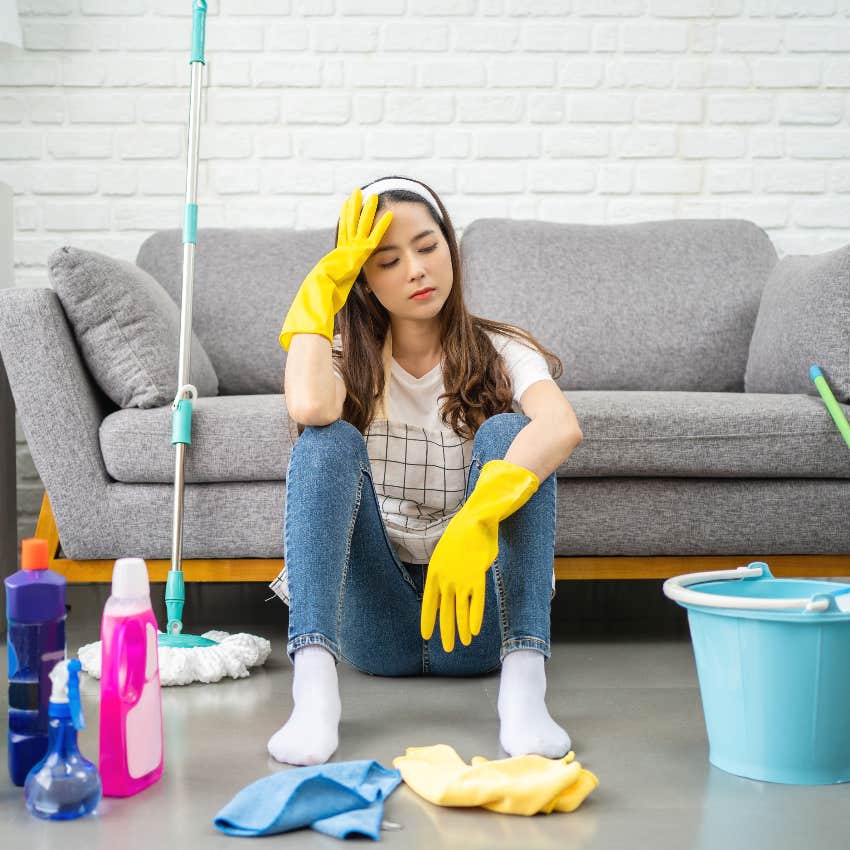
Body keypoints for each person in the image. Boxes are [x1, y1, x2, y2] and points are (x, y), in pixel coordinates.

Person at [269, 175, 584, 766]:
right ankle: (313, 693)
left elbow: (562, 427)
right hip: (376, 625)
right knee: (326, 438)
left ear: (451, 249)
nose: (415, 269)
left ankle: (525, 690)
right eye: (387, 260)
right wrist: (321, 290)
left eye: (428, 246)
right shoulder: (344, 357)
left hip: (476, 619)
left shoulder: (502, 346)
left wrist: (478, 521)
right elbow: (309, 406)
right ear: (363, 279)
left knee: (512, 432)